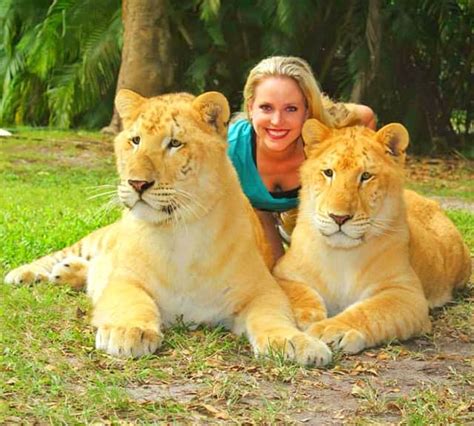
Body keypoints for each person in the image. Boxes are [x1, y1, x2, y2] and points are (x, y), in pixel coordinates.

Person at [227, 56, 375, 265]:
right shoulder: (228, 149)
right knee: (277, 276)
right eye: (266, 108)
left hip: (308, 210)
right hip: (257, 212)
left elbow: (366, 115)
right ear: (251, 108)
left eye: (291, 109)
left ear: (307, 111)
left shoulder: (327, 137)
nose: (277, 121)